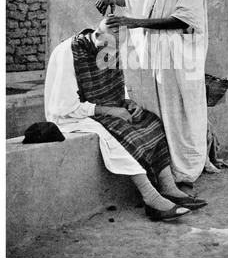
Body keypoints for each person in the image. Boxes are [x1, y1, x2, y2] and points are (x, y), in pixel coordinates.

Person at [44, 22, 208, 221]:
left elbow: (115, 85)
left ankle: (168, 187)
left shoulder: (109, 45)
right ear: (97, 34)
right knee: (119, 132)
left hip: (103, 107)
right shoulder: (68, 53)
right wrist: (109, 110)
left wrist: (127, 102)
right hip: (72, 115)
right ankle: (151, 198)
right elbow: (64, 105)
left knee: (150, 121)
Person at [95, 0, 208, 194]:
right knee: (156, 110)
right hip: (153, 57)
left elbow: (182, 21)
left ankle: (187, 168)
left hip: (178, 58)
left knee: (180, 111)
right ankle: (164, 167)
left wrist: (135, 22)